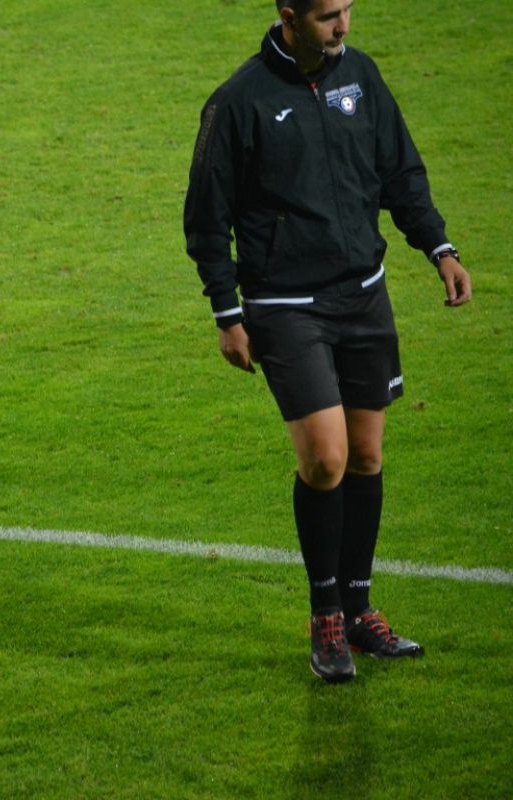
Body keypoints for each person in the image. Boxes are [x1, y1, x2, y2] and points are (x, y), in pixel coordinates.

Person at [183, 0, 472, 683]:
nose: (343, 26)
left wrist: (438, 246)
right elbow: (206, 215)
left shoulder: (360, 77)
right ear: (289, 16)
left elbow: (400, 171)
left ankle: (360, 609)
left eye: (347, 10)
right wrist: (227, 312)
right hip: (286, 306)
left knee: (366, 455)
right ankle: (326, 616)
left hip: (362, 294)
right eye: (327, 16)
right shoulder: (238, 102)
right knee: (326, 460)